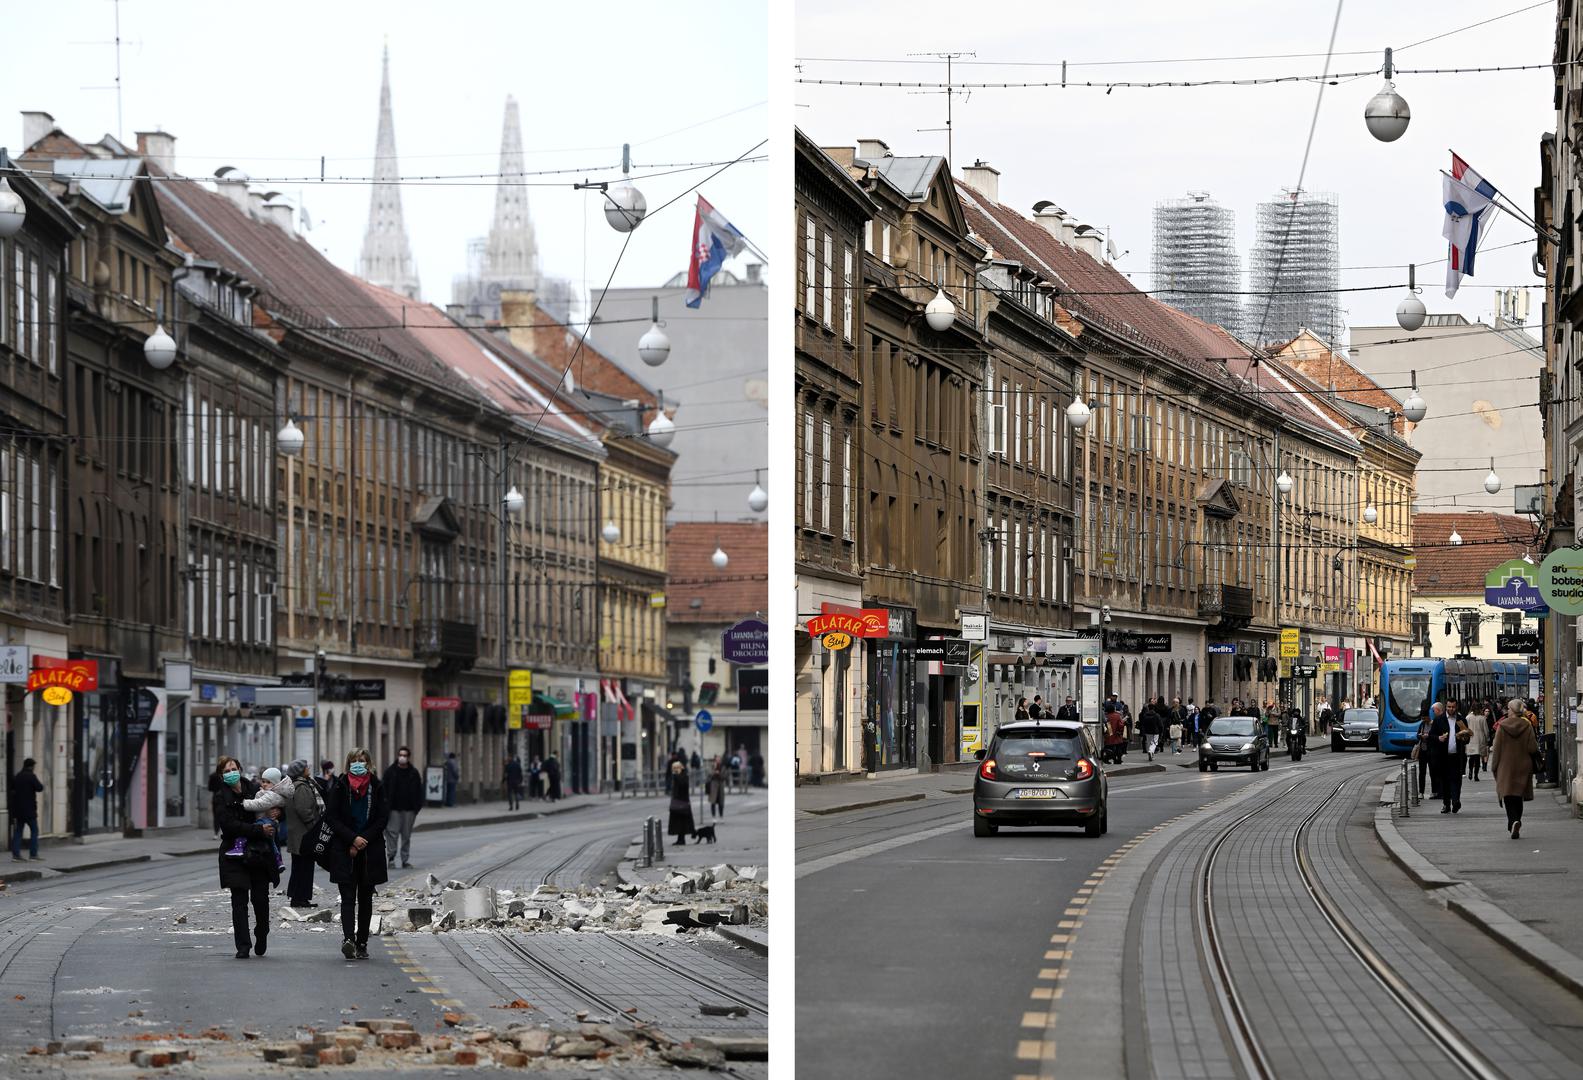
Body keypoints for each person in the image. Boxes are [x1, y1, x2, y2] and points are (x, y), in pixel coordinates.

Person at [324, 747, 390, 960]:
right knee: (348, 897)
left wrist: (363, 840)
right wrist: (352, 838)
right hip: (345, 849)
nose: (358, 764)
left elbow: (382, 818)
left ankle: (362, 942)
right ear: (348, 763)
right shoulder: (340, 786)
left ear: (369, 763)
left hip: (370, 850)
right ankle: (348, 940)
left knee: (366, 898)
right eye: (354, 760)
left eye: (362, 760)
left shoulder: (376, 786)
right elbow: (332, 818)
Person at [213, 756, 277, 959]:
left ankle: (262, 932)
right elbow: (228, 826)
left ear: (239, 769)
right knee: (239, 900)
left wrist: (276, 814)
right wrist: (258, 830)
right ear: (221, 776)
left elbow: (273, 804)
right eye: (226, 771)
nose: (231, 773)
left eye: (233, 768)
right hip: (234, 852)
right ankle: (243, 944)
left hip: (258, 852)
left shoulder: (255, 790)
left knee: (260, 898)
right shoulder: (220, 797)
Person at [1490, 698, 1539, 839]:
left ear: (1512, 710)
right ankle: (1516, 820)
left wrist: (1494, 767)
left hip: (1506, 766)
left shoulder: (1502, 726)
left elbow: (1497, 749)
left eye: (1509, 709)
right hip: (1523, 765)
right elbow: (1532, 747)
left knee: (1508, 795)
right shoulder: (1527, 725)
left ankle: (1513, 820)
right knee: (1518, 795)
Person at [283, 759, 324, 909]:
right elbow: (304, 810)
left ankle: (299, 897)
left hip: (299, 835)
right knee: (304, 868)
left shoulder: (297, 785)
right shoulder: (301, 787)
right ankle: (299, 898)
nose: (309, 768)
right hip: (304, 835)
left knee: (300, 867)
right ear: (301, 771)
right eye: (306, 767)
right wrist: (314, 827)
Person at [235, 767, 293, 872]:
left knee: (269, 840)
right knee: (271, 842)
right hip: (265, 822)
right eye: (263, 781)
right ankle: (278, 860)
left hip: (266, 822)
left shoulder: (271, 794)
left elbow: (259, 804)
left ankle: (240, 844)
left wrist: (243, 803)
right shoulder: (264, 792)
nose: (264, 784)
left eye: (268, 782)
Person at [382, 746, 424, 869]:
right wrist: (385, 806)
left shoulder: (413, 772)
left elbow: (419, 791)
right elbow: (383, 789)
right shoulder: (390, 771)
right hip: (394, 809)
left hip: (409, 810)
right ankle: (391, 858)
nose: (402, 757)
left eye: (405, 755)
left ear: (408, 757)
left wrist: (417, 807)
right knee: (392, 834)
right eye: (400, 755)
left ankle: (405, 860)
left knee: (406, 836)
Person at [9, 757, 44, 862]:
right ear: (32, 766)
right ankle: (33, 854)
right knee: (34, 830)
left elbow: (12, 789)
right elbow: (40, 788)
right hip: (29, 810)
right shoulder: (31, 776)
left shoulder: (18, 776)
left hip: (18, 810)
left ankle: (16, 855)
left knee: (18, 831)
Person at [667, 761, 695, 846]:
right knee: (678, 822)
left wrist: (676, 776)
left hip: (682, 802)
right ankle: (680, 839)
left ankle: (681, 839)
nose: (674, 770)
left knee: (682, 822)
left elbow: (683, 785)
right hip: (678, 802)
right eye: (673, 769)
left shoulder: (683, 776)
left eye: (676, 768)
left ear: (680, 768)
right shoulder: (678, 776)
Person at [1414, 706, 1436, 799]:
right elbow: (1417, 735)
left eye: (1424, 718)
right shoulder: (1422, 724)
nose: (1423, 719)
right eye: (1422, 718)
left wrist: (1428, 736)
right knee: (1422, 773)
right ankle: (1421, 792)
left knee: (1432, 772)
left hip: (1431, 751)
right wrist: (1420, 736)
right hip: (1422, 751)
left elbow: (1435, 736)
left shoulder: (1433, 724)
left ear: (1428, 716)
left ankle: (1434, 791)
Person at [1465, 701, 1489, 782]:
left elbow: (1465, 729)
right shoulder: (1482, 718)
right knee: (1478, 758)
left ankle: (1470, 771)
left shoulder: (1468, 717)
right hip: (1480, 739)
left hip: (1471, 740)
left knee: (1471, 757)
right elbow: (1486, 730)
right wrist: (1487, 738)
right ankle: (1476, 775)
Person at [207, 761, 226, 837]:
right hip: (224, 798)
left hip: (216, 798)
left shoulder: (213, 776)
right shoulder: (226, 776)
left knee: (216, 816)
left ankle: (216, 833)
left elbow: (209, 788)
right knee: (224, 815)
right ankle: (220, 831)